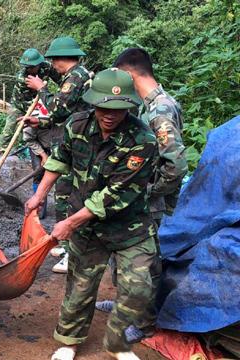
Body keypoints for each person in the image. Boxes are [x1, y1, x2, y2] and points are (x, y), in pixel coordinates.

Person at [24, 68, 158, 360]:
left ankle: (116, 340)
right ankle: (70, 341)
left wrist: (68, 223)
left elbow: (113, 195)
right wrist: (38, 195)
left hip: (129, 225)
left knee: (138, 287)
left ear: (131, 106)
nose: (110, 114)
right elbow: (60, 160)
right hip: (87, 227)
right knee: (80, 287)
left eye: (119, 108)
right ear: (93, 101)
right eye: (104, 106)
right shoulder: (77, 124)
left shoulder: (142, 139)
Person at [96, 48, 188, 343]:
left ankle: (144, 321)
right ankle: (128, 307)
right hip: (141, 200)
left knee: (143, 262)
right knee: (126, 257)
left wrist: (150, 192)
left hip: (147, 202)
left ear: (131, 75)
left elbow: (175, 166)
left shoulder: (158, 110)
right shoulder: (157, 103)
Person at [23, 37, 91, 273]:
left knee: (71, 197)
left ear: (61, 59)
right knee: (63, 194)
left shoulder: (76, 77)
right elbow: (63, 114)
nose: (54, 65)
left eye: (54, 60)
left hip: (79, 147)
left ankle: (72, 252)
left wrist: (41, 88)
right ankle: (65, 245)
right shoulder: (75, 76)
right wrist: (39, 121)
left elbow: (59, 108)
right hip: (70, 144)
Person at [0, 48, 61, 153]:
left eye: (32, 67)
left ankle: (46, 149)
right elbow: (28, 101)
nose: (29, 69)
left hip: (39, 101)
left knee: (50, 123)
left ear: (39, 64)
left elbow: (60, 80)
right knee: (9, 129)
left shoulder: (47, 67)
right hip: (20, 104)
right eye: (27, 67)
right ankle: (2, 151)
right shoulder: (23, 77)